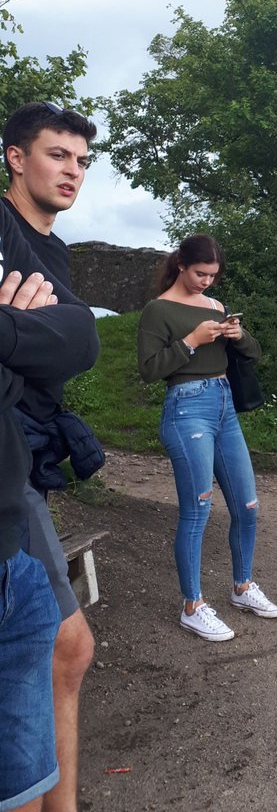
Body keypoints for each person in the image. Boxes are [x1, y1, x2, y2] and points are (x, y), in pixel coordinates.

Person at [3, 100, 100, 812]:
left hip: (31, 454)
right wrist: (30, 333)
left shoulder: (54, 252)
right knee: (64, 646)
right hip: (6, 458)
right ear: (15, 157)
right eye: (57, 155)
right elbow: (75, 340)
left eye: (82, 161)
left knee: (64, 651)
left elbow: (76, 344)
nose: (73, 172)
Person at [137, 233, 277, 642]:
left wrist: (238, 336)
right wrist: (191, 341)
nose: (206, 281)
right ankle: (192, 606)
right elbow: (149, 370)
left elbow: (253, 353)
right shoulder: (158, 310)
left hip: (224, 405)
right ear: (181, 264)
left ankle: (242, 587)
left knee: (248, 506)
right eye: (201, 273)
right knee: (197, 510)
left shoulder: (216, 306)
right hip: (186, 408)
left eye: (213, 275)